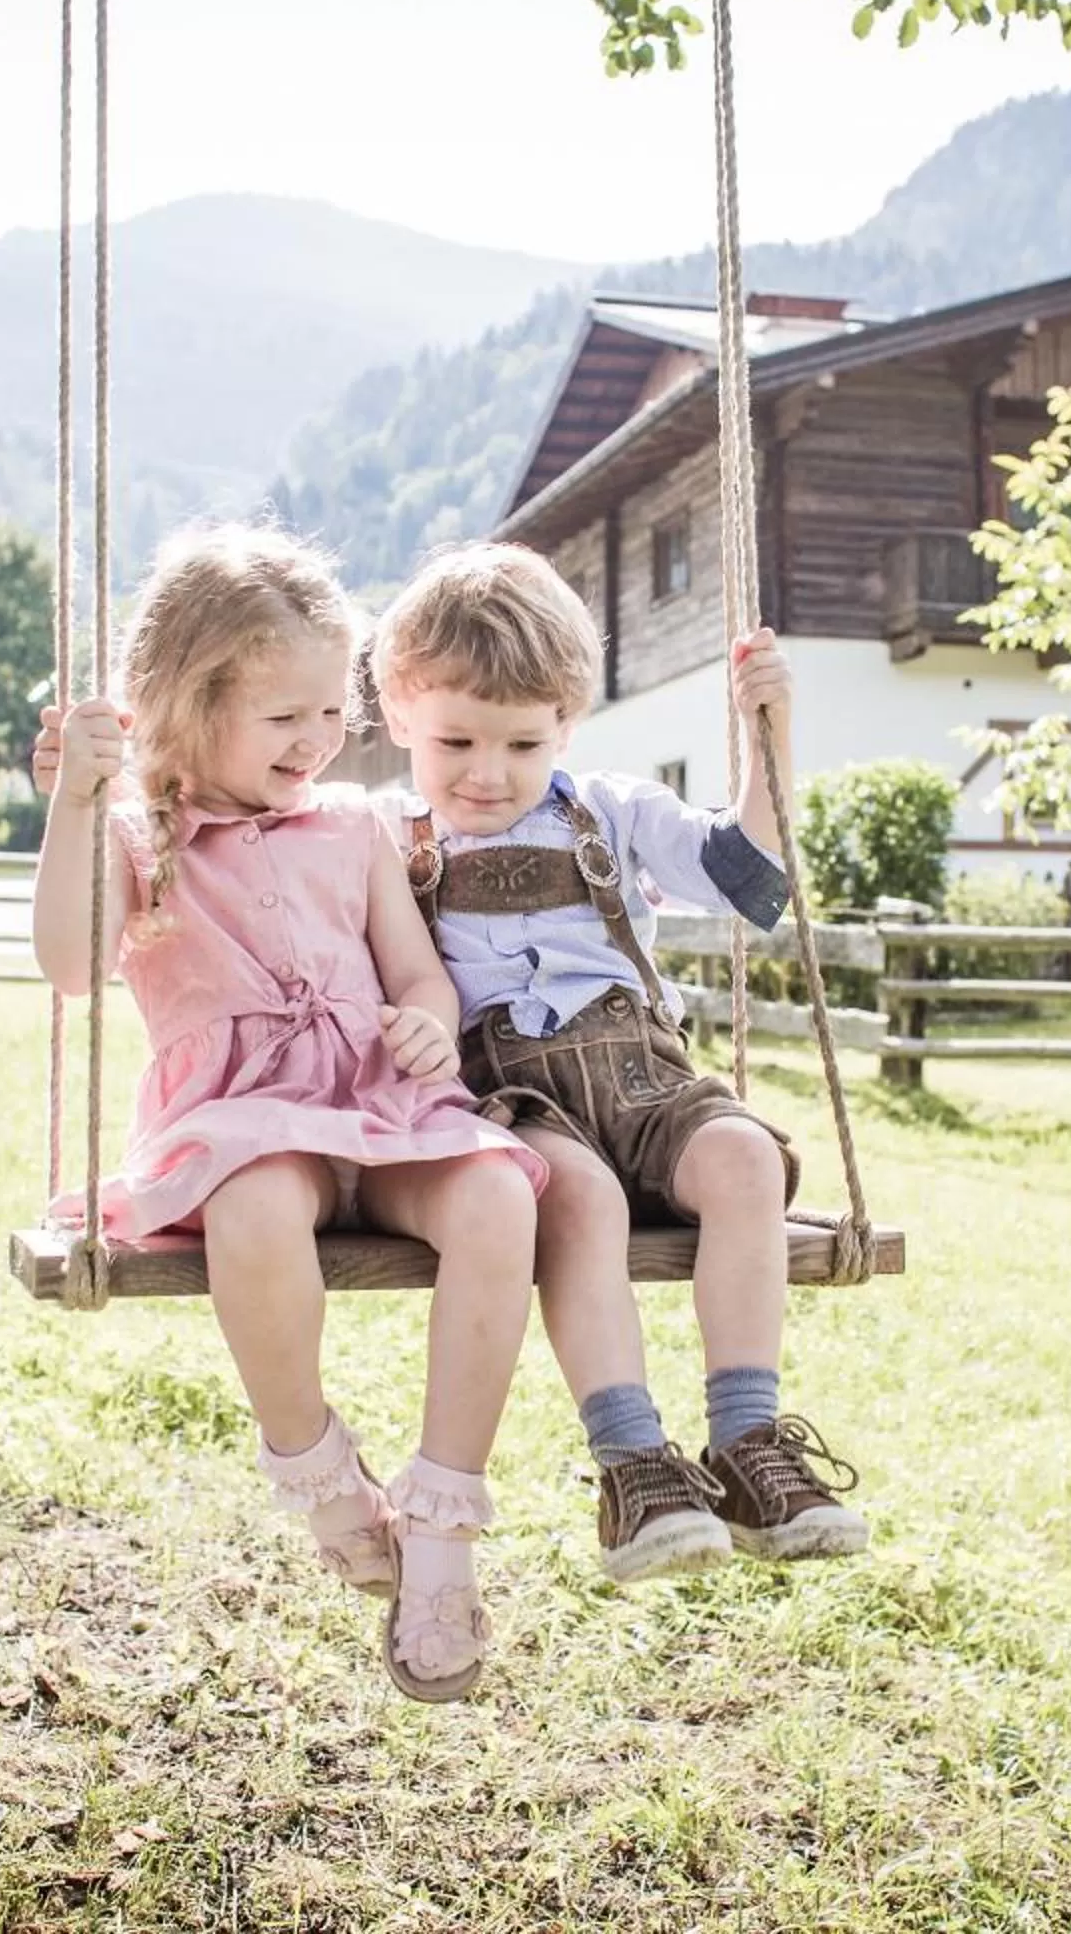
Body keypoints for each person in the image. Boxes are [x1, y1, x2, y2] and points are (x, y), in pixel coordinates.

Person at [28, 522, 546, 1703]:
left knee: (496, 1190)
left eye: (330, 713)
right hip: (245, 1120)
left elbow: (418, 974)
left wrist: (420, 1019)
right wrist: (73, 803)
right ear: (184, 703)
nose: (317, 740)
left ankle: (444, 1512)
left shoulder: (356, 827)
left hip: (377, 1099)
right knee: (257, 1203)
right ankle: (319, 1470)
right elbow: (69, 964)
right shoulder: (137, 836)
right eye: (283, 718)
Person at [369, 541, 869, 1585]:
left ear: (568, 723)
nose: (487, 772)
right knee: (579, 1202)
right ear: (398, 710)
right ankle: (635, 1462)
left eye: (523, 741)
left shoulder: (611, 809)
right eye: (454, 738)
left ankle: (747, 1440)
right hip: (510, 1097)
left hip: (642, 1073)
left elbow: (746, 876)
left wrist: (766, 742)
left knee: (745, 1163)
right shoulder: (381, 835)